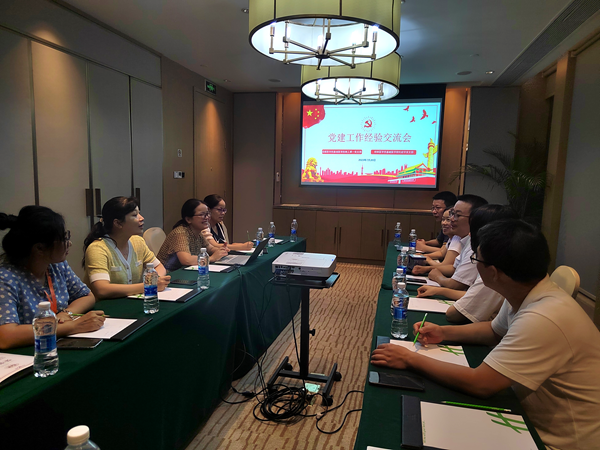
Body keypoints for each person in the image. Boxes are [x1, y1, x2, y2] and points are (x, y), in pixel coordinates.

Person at [372, 219, 600, 449]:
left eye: (476, 259)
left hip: (555, 441)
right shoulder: (526, 290)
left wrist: (409, 358)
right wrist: (443, 331)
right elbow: (493, 330)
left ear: (493, 272)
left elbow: (481, 384)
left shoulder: (544, 317)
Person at [0, 206, 105, 349]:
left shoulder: (56, 266)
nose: (69, 243)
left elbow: (87, 296)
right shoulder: (5, 278)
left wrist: (66, 313)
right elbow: (6, 336)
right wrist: (72, 327)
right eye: (64, 238)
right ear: (39, 248)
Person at [416, 204, 518, 323]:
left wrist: (436, 276)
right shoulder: (503, 262)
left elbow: (454, 313)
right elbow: (494, 328)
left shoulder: (495, 271)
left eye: (474, 230)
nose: (451, 219)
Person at [83, 197, 170, 299]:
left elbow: (159, 266)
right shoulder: (98, 249)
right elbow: (102, 289)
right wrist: (148, 285)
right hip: (105, 307)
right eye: (135, 215)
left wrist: (156, 280)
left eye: (139, 213)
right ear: (118, 223)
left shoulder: (138, 242)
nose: (141, 218)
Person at [426, 194, 487, 290]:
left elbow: (457, 285)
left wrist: (437, 277)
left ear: (475, 219)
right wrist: (426, 268)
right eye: (452, 214)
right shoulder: (466, 240)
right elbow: (454, 268)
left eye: (457, 215)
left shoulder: (475, 246)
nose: (452, 219)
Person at [157, 199, 229, 272]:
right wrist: (212, 258)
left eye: (207, 214)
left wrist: (220, 251)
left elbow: (210, 249)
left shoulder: (198, 232)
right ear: (188, 219)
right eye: (202, 215)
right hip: (169, 274)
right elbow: (186, 260)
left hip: (186, 271)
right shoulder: (180, 233)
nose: (207, 217)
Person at [411, 208, 461, 275]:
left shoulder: (457, 238)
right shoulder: (452, 237)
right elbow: (441, 253)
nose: (444, 223)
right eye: (443, 219)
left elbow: (445, 266)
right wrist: (423, 256)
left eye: (448, 220)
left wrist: (428, 260)